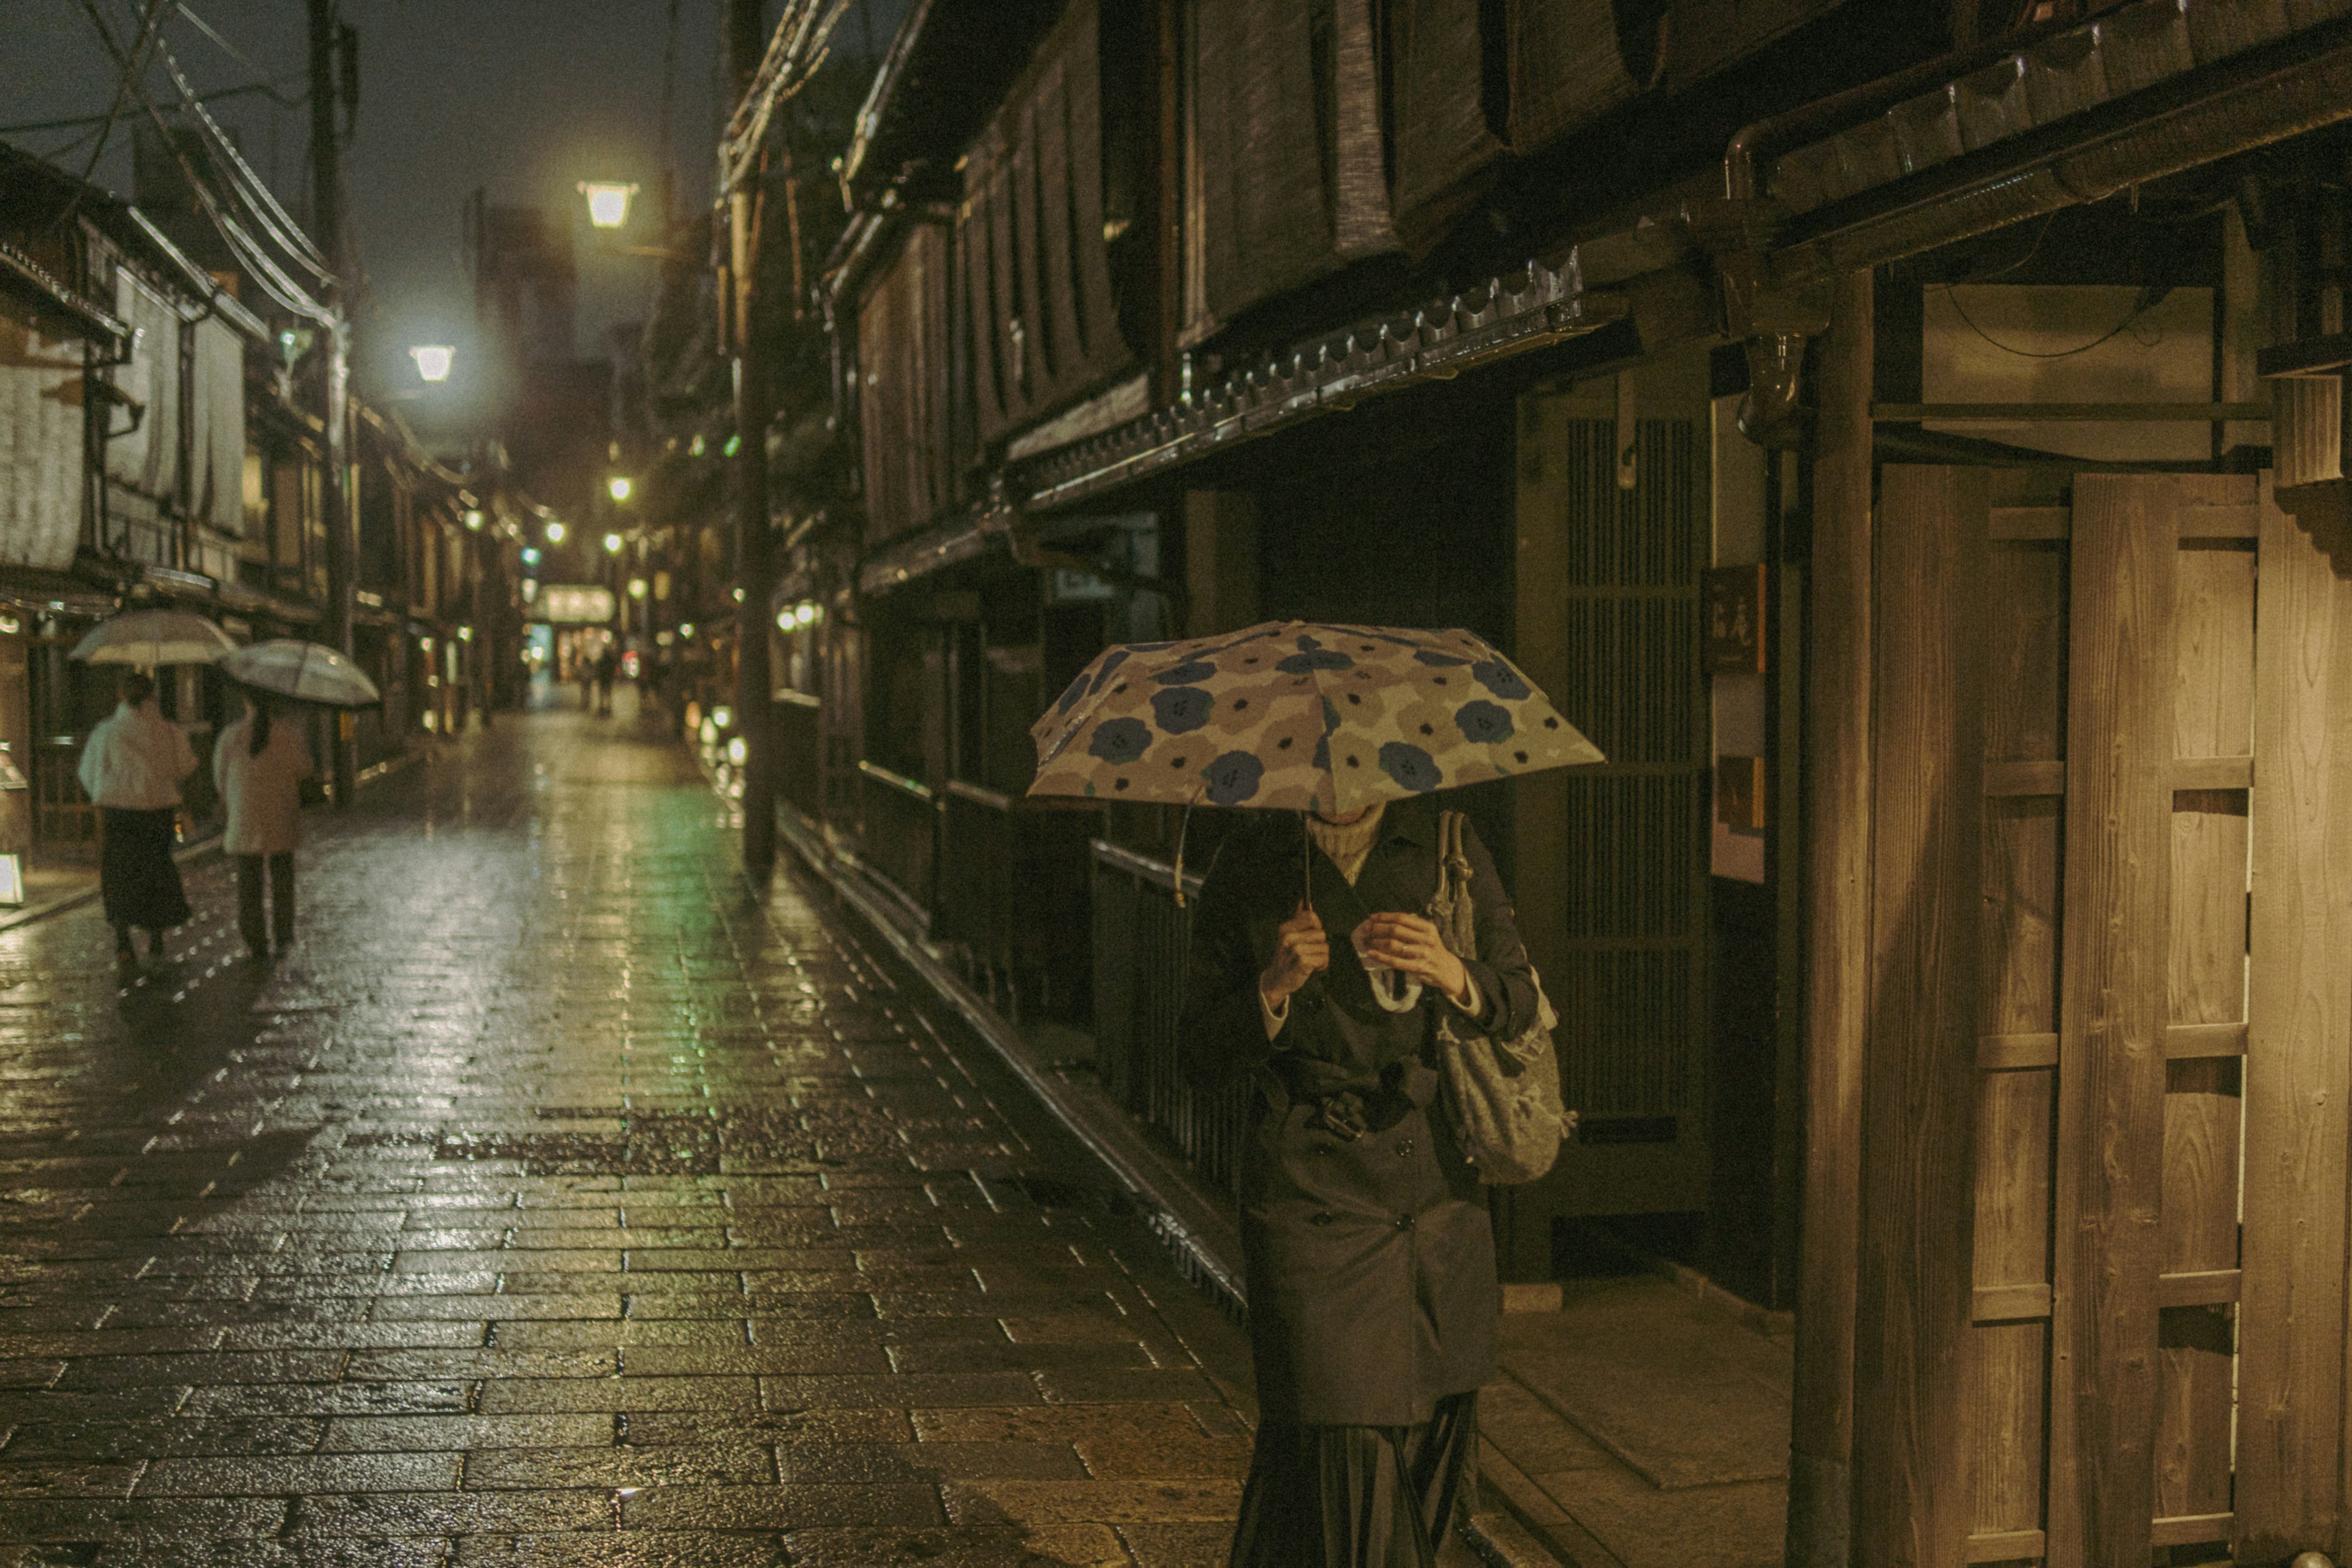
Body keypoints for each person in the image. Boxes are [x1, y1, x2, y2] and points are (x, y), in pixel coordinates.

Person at [1179, 796, 1542, 1567]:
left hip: (1434, 1194)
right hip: (1308, 1193)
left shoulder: (1446, 840)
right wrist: (1272, 987)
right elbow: (1196, 1052)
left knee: (1427, 1439)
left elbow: (1518, 998)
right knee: (1345, 1432)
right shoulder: (1250, 857)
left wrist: (1450, 970)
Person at [77, 669, 198, 966]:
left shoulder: (106, 732)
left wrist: (107, 793)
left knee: (120, 873)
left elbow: (89, 773)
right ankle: (155, 938)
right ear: (152, 695)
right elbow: (185, 766)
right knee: (155, 870)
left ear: (121, 696)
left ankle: (123, 941)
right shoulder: (169, 731)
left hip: (119, 814)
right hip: (158, 812)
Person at [214, 693, 313, 962]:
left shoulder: (230, 737)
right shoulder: (289, 736)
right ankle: (283, 935)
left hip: (244, 818)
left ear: (245, 702)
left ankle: (255, 939)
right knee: (282, 880)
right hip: (281, 816)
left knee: (249, 883)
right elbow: (305, 769)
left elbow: (219, 778)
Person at [594, 643, 619, 717]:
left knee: (602, 694)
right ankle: (608, 706)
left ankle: (602, 706)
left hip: (603, 679)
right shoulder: (611, 661)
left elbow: (598, 670)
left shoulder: (601, 661)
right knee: (608, 694)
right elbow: (613, 670)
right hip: (608, 679)